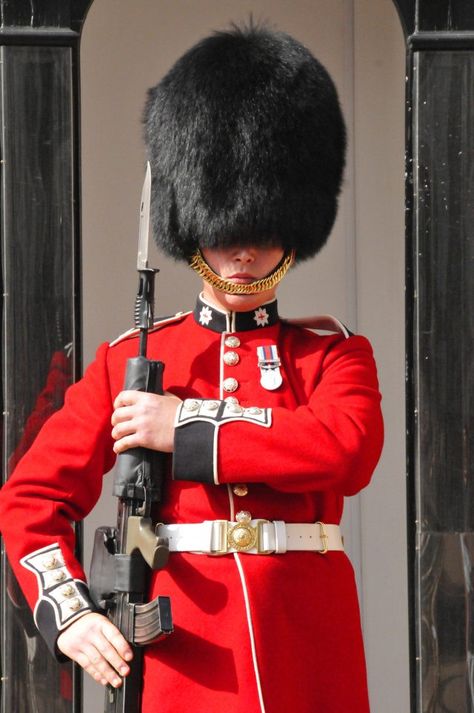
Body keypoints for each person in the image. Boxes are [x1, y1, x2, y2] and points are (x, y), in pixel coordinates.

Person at [0, 23, 384, 713]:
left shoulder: (333, 353)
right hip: (186, 667)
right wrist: (71, 611)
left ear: (291, 232)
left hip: (307, 657)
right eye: (227, 231)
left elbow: (345, 450)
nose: (243, 254)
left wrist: (188, 425)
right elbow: (31, 499)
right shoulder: (132, 359)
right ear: (195, 223)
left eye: (262, 233)